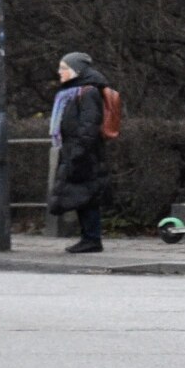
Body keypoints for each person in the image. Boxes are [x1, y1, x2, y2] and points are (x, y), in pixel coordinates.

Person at [48, 52, 110, 254]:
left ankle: (92, 238)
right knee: (81, 195)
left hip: (84, 153)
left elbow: (88, 125)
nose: (59, 72)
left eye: (63, 68)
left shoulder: (87, 92)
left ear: (77, 70)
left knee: (86, 196)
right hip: (77, 151)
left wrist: (78, 151)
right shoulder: (72, 92)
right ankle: (89, 237)